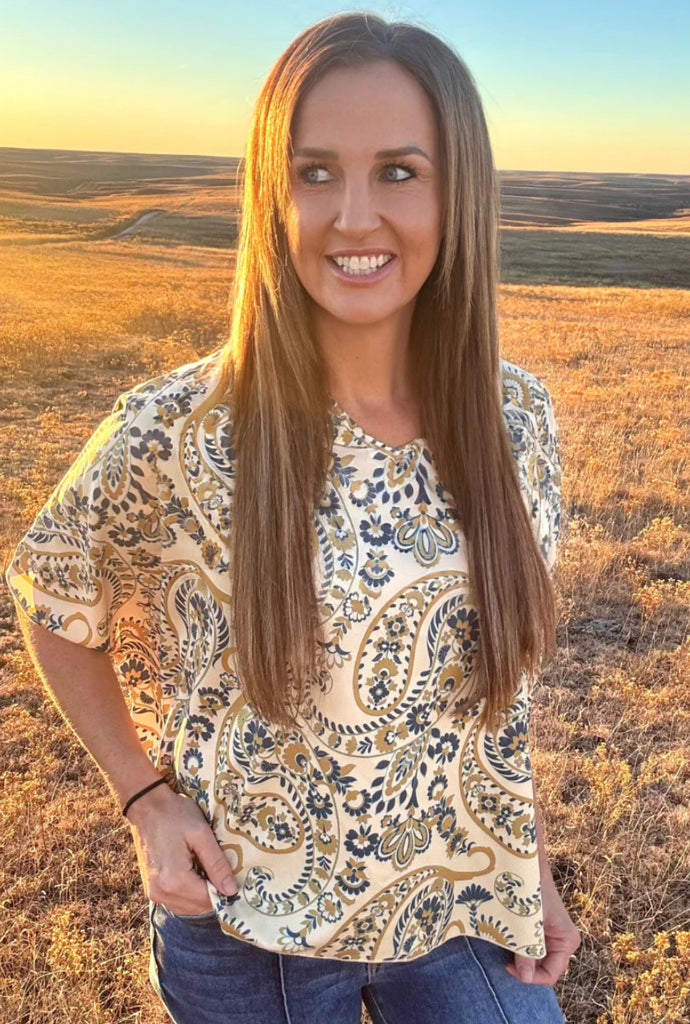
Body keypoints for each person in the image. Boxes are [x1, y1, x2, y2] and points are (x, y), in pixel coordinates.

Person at [5, 10, 581, 1024]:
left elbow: (488, 697)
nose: (354, 216)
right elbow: (52, 599)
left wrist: (523, 865)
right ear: (272, 195)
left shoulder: (516, 418)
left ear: (458, 190)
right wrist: (143, 797)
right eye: (314, 173)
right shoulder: (177, 428)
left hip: (465, 914)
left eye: (399, 171)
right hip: (250, 930)